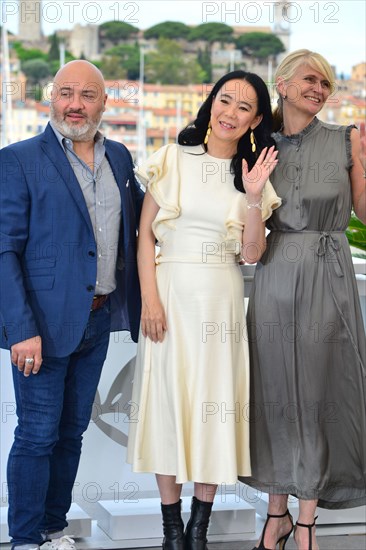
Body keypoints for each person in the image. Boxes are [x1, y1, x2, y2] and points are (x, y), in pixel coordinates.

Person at [126, 69, 281, 549]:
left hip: (221, 300)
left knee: (215, 409)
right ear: (210, 102)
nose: (231, 112)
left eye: (244, 107)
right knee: (169, 406)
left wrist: (254, 197)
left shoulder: (255, 176)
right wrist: (149, 299)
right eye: (225, 100)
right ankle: (172, 529)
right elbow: (144, 236)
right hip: (169, 294)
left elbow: (252, 254)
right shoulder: (172, 158)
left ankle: (199, 529)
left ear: (256, 120)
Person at [0, 60, 144, 550]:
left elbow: (146, 223)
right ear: (50, 98)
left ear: (104, 103)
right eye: (66, 93)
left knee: (71, 433)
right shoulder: (18, 159)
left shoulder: (121, 159)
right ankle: (23, 540)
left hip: (97, 318)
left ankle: (51, 529)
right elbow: (4, 248)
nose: (75, 104)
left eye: (87, 95)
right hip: (39, 325)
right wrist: (21, 328)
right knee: (37, 435)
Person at [241, 49, 366, 550]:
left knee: (316, 397)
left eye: (327, 83)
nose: (319, 88)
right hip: (272, 276)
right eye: (310, 79)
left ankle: (308, 520)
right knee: (273, 394)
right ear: (284, 83)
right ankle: (276, 516)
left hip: (328, 273)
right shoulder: (255, 143)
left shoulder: (345, 139)